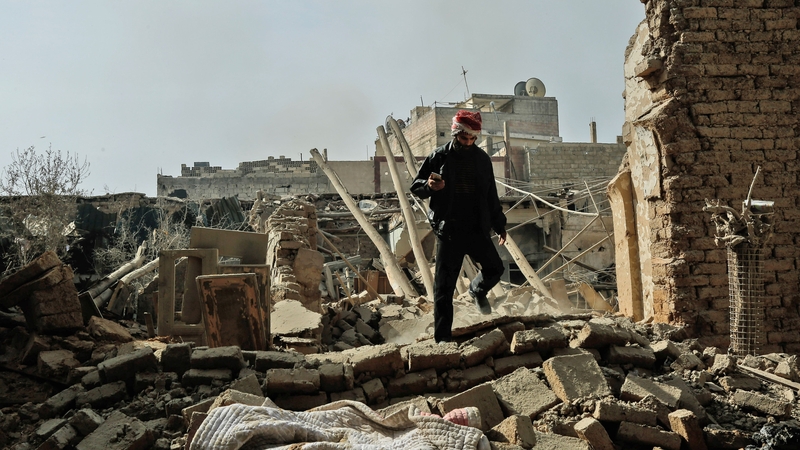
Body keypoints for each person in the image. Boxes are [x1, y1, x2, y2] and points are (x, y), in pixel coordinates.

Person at [410, 110, 507, 343]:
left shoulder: (482, 160)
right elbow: (416, 186)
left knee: (495, 268)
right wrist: (431, 187)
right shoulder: (439, 156)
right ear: (456, 134)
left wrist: (500, 225)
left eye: (473, 139)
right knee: (444, 289)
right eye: (464, 138)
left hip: (476, 228)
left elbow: (491, 196)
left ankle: (477, 290)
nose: (468, 143)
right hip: (449, 230)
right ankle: (442, 340)